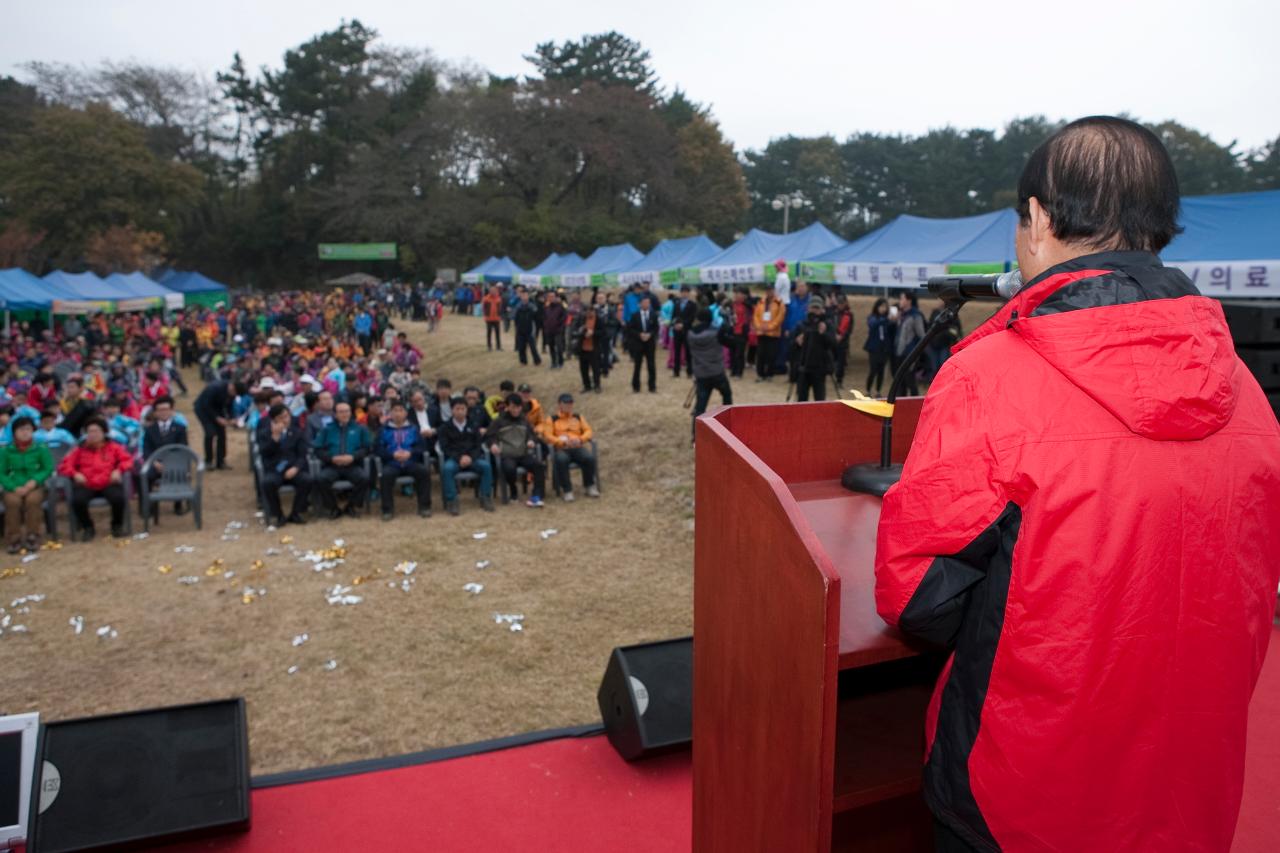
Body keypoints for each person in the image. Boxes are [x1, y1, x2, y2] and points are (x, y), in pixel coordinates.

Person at [873, 116, 1280, 852]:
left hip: (1021, 795)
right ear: (1161, 230)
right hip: (1188, 791)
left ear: (1036, 220)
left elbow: (917, 598)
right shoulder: (1248, 393)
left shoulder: (989, 376)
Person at [57, 416, 133, 540]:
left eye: (96, 431)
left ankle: (116, 526)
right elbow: (64, 465)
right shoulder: (79, 449)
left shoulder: (113, 447)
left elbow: (128, 461)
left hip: (108, 481)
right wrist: (75, 474)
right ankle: (88, 527)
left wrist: (118, 470)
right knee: (78, 500)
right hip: (86, 483)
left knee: (118, 498)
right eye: (90, 432)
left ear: (104, 432)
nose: (93, 435)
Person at [0, 416, 52, 552]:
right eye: (21, 429)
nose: (25, 432)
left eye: (28, 429)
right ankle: (14, 539)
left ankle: (33, 536)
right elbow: (1, 472)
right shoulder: (5, 450)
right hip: (13, 486)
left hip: (34, 485)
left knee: (33, 501)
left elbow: (47, 468)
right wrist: (12, 486)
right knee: (12, 503)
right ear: (14, 432)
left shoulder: (40, 448)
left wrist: (34, 481)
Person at [376, 400, 432, 520]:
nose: (398, 413)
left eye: (401, 410)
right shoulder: (383, 430)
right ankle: (387, 510)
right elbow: (378, 449)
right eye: (395, 410)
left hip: (411, 461)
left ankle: (424, 507)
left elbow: (422, 447)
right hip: (392, 463)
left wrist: (410, 453)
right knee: (385, 476)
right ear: (390, 413)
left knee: (423, 472)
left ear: (406, 413)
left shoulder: (413, 429)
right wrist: (392, 455)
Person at [258, 403, 312, 526]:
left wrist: (296, 468)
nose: (286, 419)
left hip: (293, 469)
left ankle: (296, 513)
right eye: (282, 417)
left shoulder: (297, 432)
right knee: (268, 483)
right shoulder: (265, 433)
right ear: (274, 419)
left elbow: (302, 454)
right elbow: (264, 452)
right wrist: (275, 438)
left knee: (306, 480)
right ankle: (278, 515)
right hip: (274, 469)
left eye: (287, 416)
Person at [487, 393, 546, 508]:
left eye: (518, 407)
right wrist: (493, 445)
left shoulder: (524, 420)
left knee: (538, 466)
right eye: (513, 407)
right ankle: (513, 490)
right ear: (507, 407)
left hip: (523, 454)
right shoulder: (499, 421)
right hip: (507, 455)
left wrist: (531, 440)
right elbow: (489, 436)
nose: (516, 410)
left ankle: (537, 495)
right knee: (509, 468)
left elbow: (532, 434)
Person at [439, 395, 495, 514]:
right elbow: (445, 447)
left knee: (486, 467)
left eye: (462, 409)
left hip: (472, 458)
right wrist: (459, 457)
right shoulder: (444, 428)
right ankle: (452, 501)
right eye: (457, 409)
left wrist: (470, 457)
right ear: (452, 410)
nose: (460, 412)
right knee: (447, 469)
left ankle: (485, 497)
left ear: (466, 410)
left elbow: (478, 445)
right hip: (455, 459)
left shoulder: (473, 425)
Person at [316, 401, 371, 518]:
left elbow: (367, 448)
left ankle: (351, 506)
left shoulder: (360, 428)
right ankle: (333, 508)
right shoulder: (327, 429)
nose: (344, 414)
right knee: (321, 479)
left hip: (353, 465)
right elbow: (318, 449)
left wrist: (353, 457)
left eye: (347, 411)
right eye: (341, 412)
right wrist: (332, 458)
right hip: (332, 466)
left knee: (364, 478)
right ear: (335, 414)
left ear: (351, 413)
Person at [539, 393, 598, 501]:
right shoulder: (552, 419)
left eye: (570, 403)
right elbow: (547, 435)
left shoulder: (578, 417)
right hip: (561, 448)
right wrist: (561, 442)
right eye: (565, 403)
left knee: (589, 458)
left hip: (577, 446)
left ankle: (589, 486)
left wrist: (580, 439)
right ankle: (567, 490)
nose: (568, 406)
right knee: (561, 460)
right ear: (559, 405)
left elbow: (588, 430)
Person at [686, 308, 734, 441]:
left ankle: (695, 435)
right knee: (727, 396)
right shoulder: (716, 332)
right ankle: (729, 426)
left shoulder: (690, 334)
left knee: (700, 406)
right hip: (717, 372)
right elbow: (730, 343)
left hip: (701, 374)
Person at [792, 300, 837, 402]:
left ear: (822, 310)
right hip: (803, 367)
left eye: (817, 308)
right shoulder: (802, 325)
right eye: (813, 308)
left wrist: (823, 333)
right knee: (801, 400)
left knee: (820, 399)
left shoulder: (827, 325)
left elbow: (833, 344)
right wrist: (797, 341)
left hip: (820, 368)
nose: (815, 311)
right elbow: (792, 346)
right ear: (808, 309)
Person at [193, 378, 241, 469]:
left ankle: (221, 461)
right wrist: (217, 418)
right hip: (202, 409)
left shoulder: (233, 393)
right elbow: (206, 405)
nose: (234, 396)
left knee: (222, 434)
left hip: (217, 409)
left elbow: (229, 405)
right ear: (232, 387)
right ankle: (208, 461)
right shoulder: (214, 388)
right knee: (210, 433)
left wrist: (232, 418)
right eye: (234, 393)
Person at [891, 290, 926, 396]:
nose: (900, 301)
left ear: (909, 301)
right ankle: (902, 404)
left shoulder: (916, 315)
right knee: (900, 382)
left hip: (910, 353)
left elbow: (922, 335)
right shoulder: (901, 314)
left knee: (910, 380)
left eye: (902, 298)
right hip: (899, 352)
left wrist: (916, 353)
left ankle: (914, 405)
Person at [626, 293, 659, 393]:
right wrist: (639, 334)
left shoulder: (653, 315)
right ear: (639, 304)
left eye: (648, 303)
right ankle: (636, 386)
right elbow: (630, 329)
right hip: (638, 343)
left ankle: (652, 386)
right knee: (637, 365)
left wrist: (650, 334)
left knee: (651, 365)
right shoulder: (634, 315)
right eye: (644, 303)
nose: (646, 304)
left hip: (650, 343)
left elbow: (656, 328)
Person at [863, 298, 895, 395]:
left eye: (885, 307)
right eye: (881, 306)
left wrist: (893, 321)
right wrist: (886, 319)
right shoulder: (872, 317)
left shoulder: (887, 319)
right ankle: (868, 390)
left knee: (881, 371)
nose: (883, 309)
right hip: (874, 348)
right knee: (873, 370)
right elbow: (873, 324)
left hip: (884, 348)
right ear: (876, 307)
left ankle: (878, 391)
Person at [751, 287, 784, 381]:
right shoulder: (761, 302)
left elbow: (780, 317)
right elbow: (755, 315)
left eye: (771, 290)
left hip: (773, 333)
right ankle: (760, 374)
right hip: (761, 332)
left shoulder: (779, 302)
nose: (769, 292)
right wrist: (759, 326)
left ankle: (770, 374)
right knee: (760, 354)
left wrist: (769, 327)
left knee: (771, 354)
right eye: (767, 290)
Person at [670, 285, 697, 377]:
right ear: (680, 293)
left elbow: (692, 318)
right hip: (677, 331)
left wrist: (683, 324)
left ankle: (690, 371)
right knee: (676, 351)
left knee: (688, 352)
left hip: (687, 330)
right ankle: (676, 371)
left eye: (686, 292)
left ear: (688, 293)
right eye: (683, 292)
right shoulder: (676, 303)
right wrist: (674, 324)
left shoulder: (692, 304)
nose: (684, 294)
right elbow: (673, 316)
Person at [513, 287, 542, 366]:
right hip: (520, 330)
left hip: (530, 330)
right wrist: (517, 327)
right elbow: (515, 318)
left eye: (526, 295)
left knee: (533, 347)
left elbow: (537, 317)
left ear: (528, 296)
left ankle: (537, 361)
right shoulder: (518, 306)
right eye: (523, 295)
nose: (524, 297)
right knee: (521, 347)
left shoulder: (532, 306)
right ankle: (523, 361)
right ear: (521, 296)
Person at [542, 290, 568, 370]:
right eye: (549, 297)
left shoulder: (561, 306)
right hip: (549, 330)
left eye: (553, 296)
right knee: (551, 347)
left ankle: (560, 362)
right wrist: (546, 326)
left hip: (558, 331)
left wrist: (560, 327)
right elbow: (544, 318)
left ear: (556, 297)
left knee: (559, 347)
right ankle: (553, 362)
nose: (551, 298)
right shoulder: (546, 307)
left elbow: (564, 318)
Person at [482, 285, 503, 350]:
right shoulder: (486, 298)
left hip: (497, 318)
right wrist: (486, 315)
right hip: (489, 319)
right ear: (489, 291)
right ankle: (489, 346)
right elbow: (483, 308)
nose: (493, 291)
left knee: (497, 333)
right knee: (489, 333)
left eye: (494, 290)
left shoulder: (499, 298)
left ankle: (498, 347)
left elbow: (500, 308)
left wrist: (500, 315)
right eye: (492, 290)